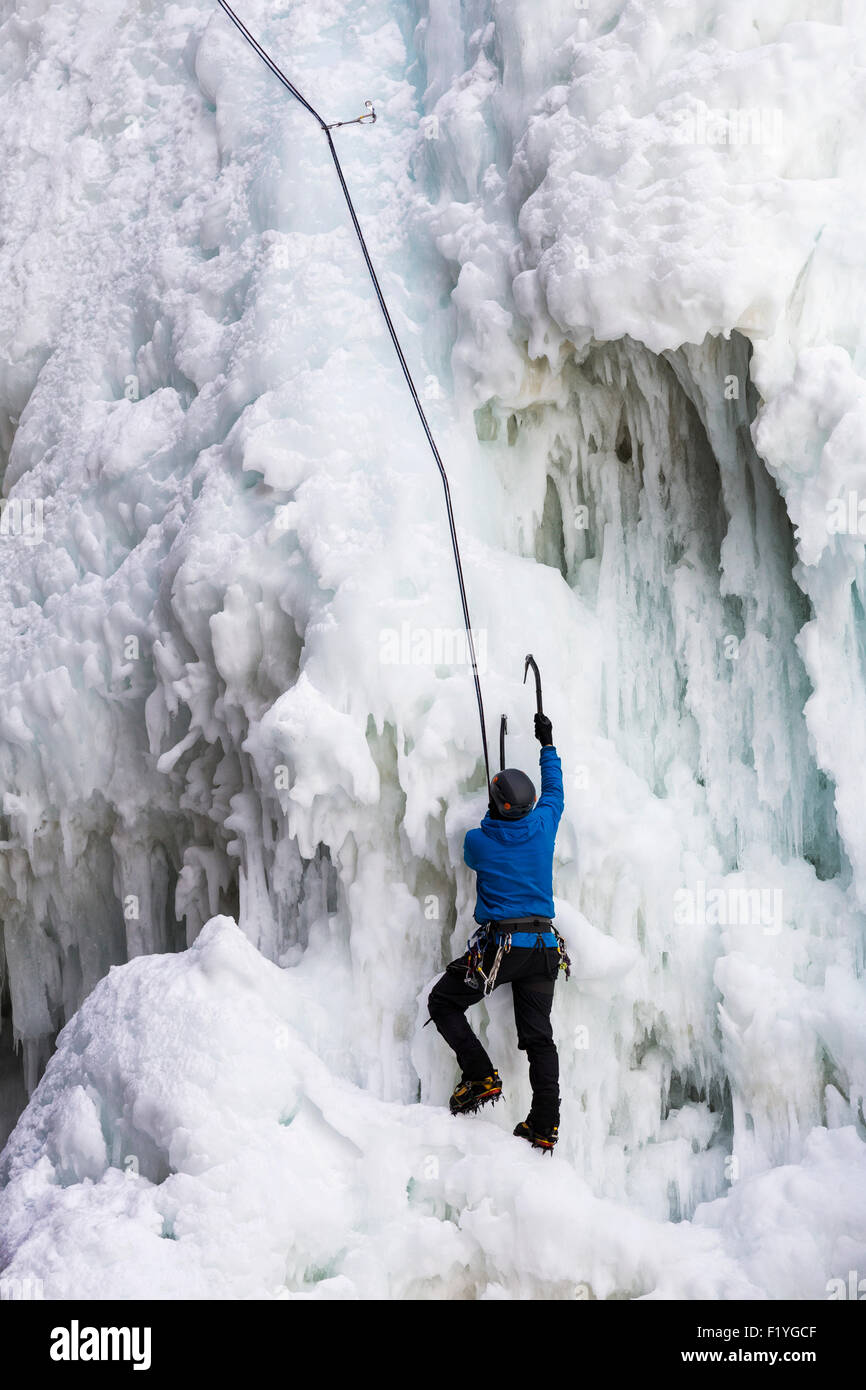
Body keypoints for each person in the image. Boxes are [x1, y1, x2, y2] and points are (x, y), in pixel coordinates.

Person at [427, 712, 565, 1151]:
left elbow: (481, 844)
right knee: (540, 1039)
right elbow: (555, 793)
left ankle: (480, 1074)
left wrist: (492, 814)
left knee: (443, 1002)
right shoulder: (544, 827)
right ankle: (545, 1124)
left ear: (498, 806)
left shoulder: (479, 842)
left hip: (500, 950)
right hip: (543, 947)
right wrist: (547, 745)